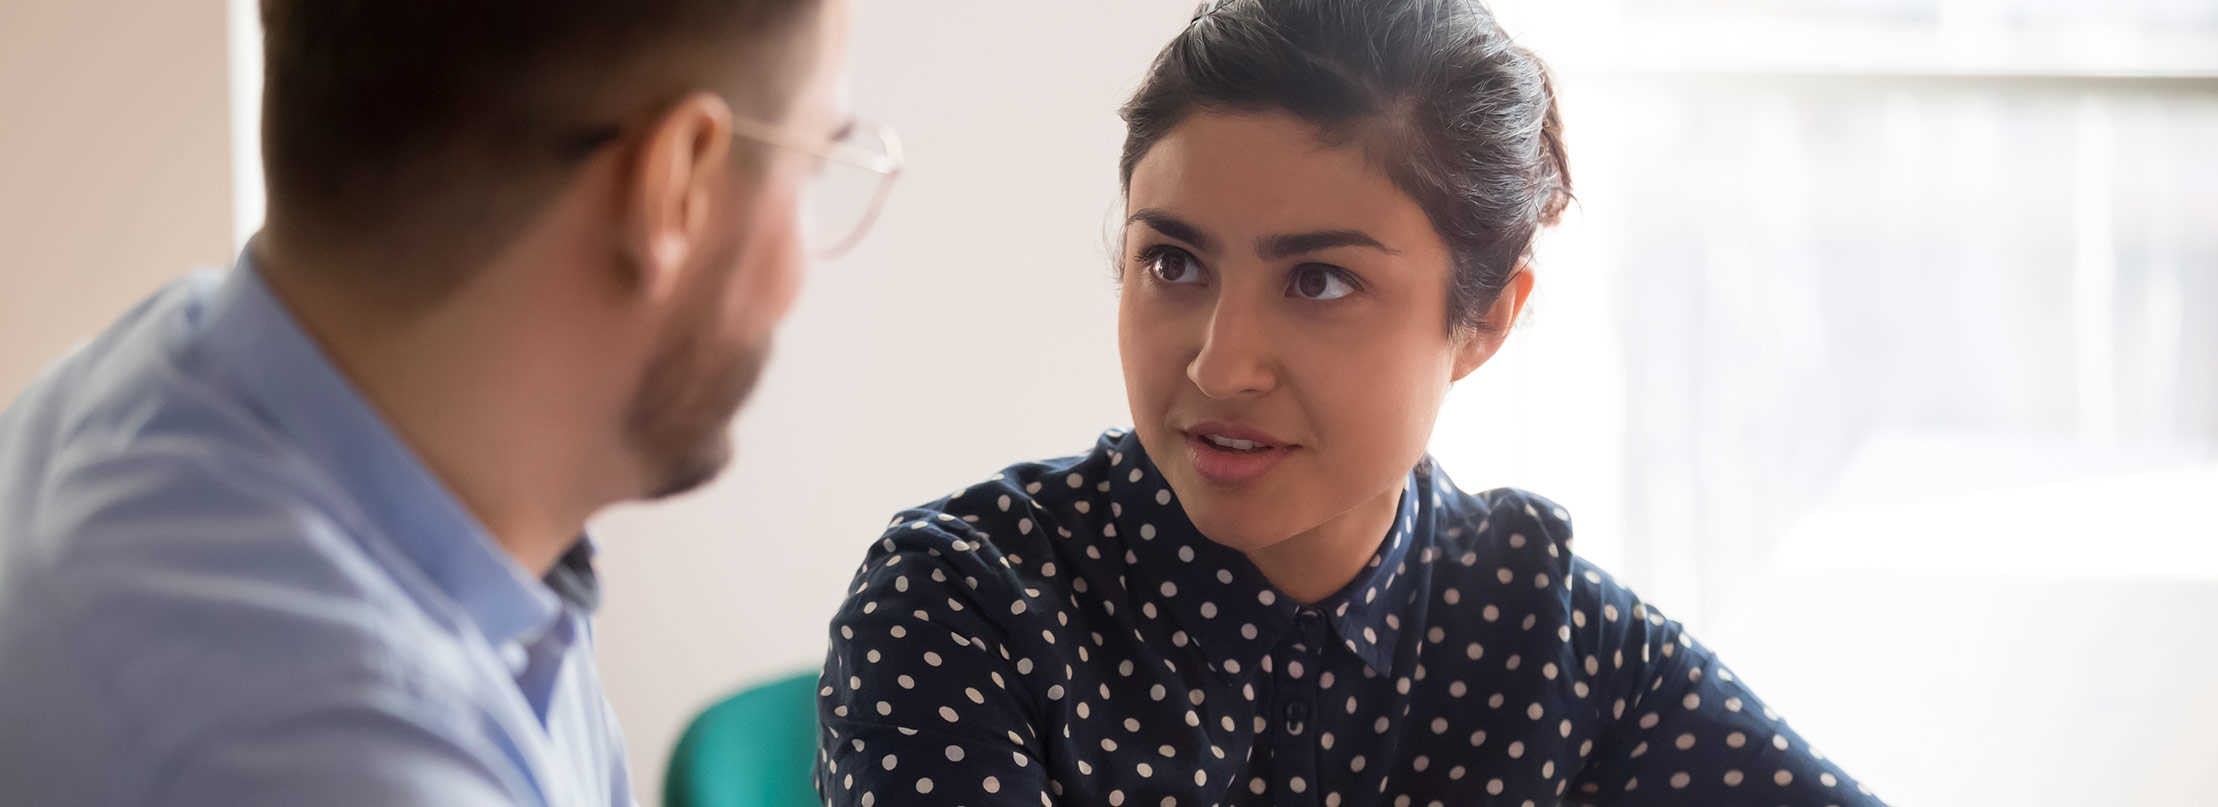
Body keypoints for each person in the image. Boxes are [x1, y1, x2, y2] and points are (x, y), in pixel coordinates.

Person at [815, 1, 1885, 805]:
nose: (1220, 366)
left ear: (1484, 320)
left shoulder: (1551, 634)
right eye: (1174, 263)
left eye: (1319, 281)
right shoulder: (966, 605)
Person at [0, 0, 898, 803]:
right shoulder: (327, 757)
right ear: (679, 184)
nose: (796, 279)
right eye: (814, 162)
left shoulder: (153, 380)